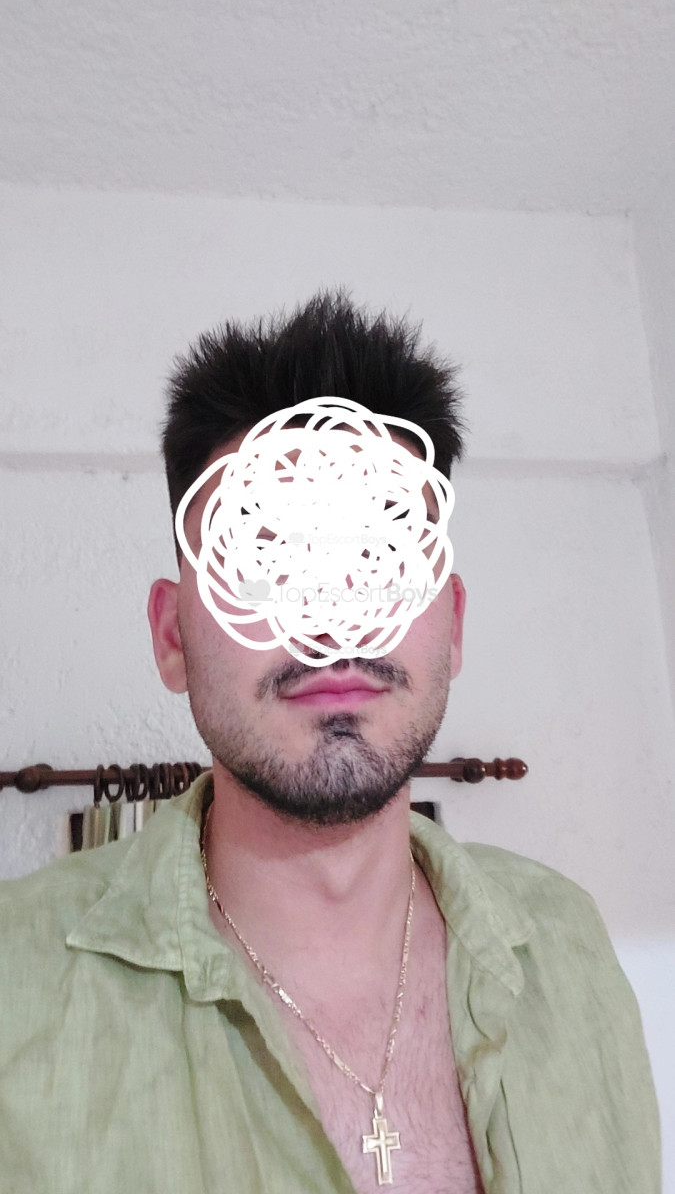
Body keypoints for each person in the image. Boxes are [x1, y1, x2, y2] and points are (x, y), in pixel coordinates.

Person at [0, 292, 660, 1193]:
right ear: (172, 636)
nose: (330, 625)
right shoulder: (16, 986)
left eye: (381, 558)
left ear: (452, 627)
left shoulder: (569, 946)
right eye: (266, 561)